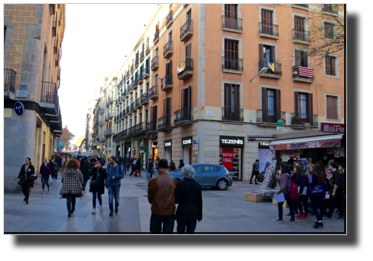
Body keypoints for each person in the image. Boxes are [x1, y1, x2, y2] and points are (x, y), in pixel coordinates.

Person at [148, 159, 178, 233]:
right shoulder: (174, 181)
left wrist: (154, 203)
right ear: (167, 168)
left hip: (157, 210)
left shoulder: (153, 181)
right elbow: (176, 196)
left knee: (155, 231)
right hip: (169, 211)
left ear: (158, 168)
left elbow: (150, 198)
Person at [175, 165, 203, 233]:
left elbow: (177, 200)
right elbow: (199, 201)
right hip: (194, 213)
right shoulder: (197, 185)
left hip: (182, 212)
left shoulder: (180, 184)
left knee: (180, 231)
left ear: (183, 173)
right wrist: (200, 216)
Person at [311, 163, 326, 228]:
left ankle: (319, 220)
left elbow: (313, 183)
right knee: (321, 205)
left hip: (315, 192)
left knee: (314, 207)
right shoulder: (323, 174)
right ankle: (320, 219)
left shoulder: (315, 175)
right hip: (321, 191)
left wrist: (310, 184)